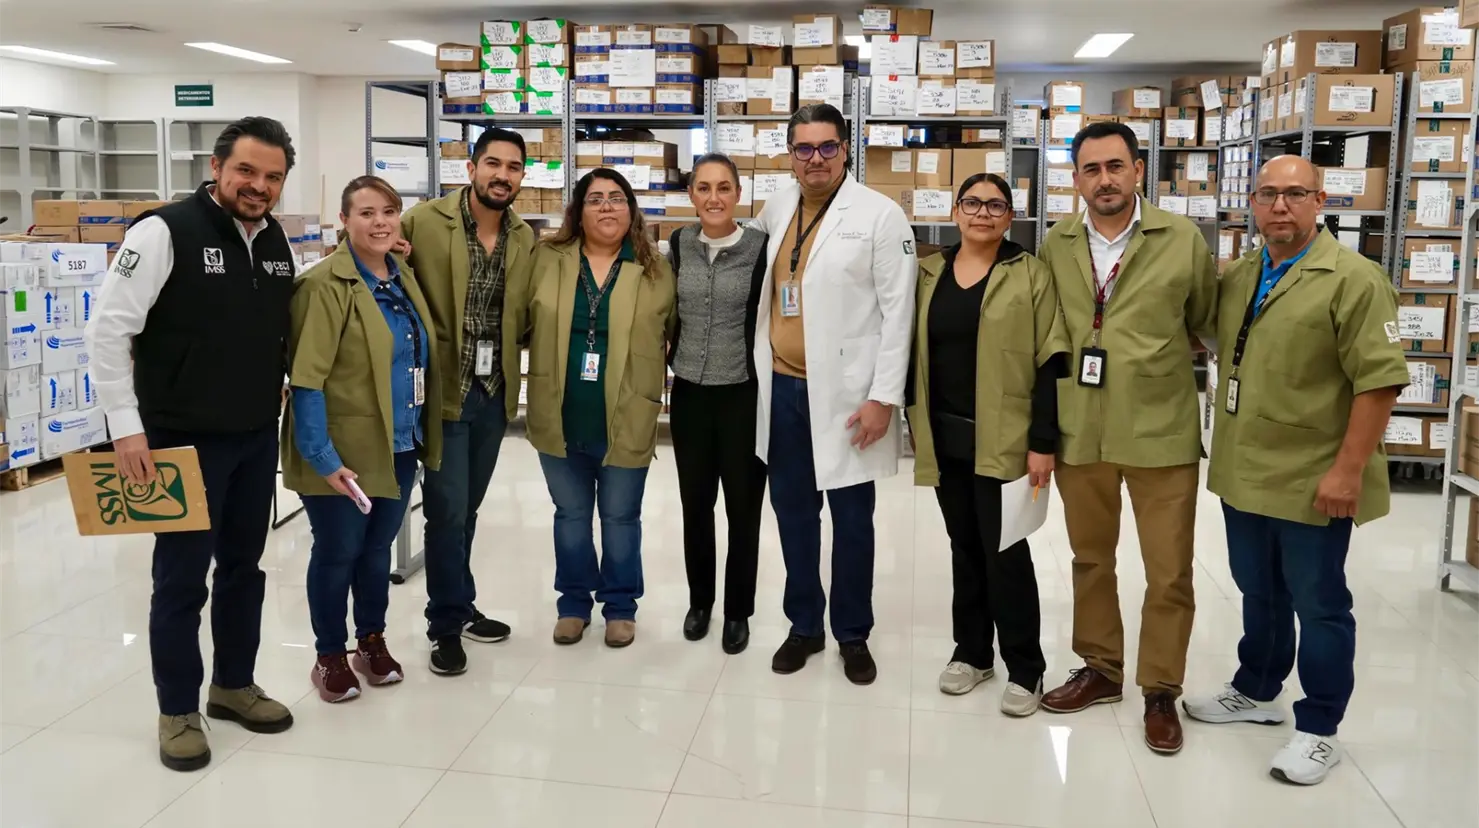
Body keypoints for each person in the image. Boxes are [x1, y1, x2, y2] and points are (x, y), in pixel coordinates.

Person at [1182, 156, 1408, 785]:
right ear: (1251, 202)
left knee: (1321, 603)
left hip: (1314, 475)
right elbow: (1217, 342)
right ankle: (1257, 689)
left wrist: (1347, 471)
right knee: (1259, 590)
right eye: (1267, 195)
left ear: (1320, 200)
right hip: (1244, 467)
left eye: (1294, 194)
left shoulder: (1353, 279)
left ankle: (1320, 729)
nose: (1279, 206)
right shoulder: (1243, 273)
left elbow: (1380, 382)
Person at [84, 116, 299, 771]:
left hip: (254, 436)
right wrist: (125, 429)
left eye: (272, 176)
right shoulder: (162, 231)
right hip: (179, 442)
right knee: (180, 583)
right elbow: (107, 332)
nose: (257, 186)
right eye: (246, 172)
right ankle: (177, 710)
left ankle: (233, 684)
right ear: (217, 165)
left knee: (244, 570)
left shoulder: (274, 240)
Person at [1036, 121, 1218, 754]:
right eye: (1091, 169)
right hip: (1080, 427)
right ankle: (1101, 668)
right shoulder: (1057, 242)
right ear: (1076, 179)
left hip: (1159, 428)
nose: (1104, 179)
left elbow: (1202, 321)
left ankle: (1161, 687)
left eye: (1116, 166)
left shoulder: (1181, 238)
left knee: (1169, 571)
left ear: (1139, 170)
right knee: (1091, 558)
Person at [750, 103, 916, 685]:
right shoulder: (776, 208)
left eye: (827, 147)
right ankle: (804, 626)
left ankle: (852, 632)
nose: (815, 158)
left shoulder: (880, 215)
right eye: (803, 148)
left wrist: (883, 399)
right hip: (784, 388)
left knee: (852, 521)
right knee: (794, 516)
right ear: (789, 154)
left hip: (851, 398)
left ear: (846, 148)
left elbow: (900, 314)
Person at [906, 173, 1069, 715]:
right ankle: (972, 652)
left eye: (995, 205)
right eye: (972, 203)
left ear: (1010, 216)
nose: (982, 213)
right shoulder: (929, 272)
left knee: (1007, 553)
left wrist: (1043, 441)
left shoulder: (1030, 275)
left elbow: (1052, 361)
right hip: (946, 435)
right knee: (964, 547)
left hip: (1005, 439)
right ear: (956, 211)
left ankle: (1026, 667)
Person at [283, 176, 442, 703]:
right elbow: (306, 380)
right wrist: (324, 458)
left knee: (376, 553)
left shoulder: (401, 278)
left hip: (399, 444)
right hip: (342, 453)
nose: (380, 222)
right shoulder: (325, 286)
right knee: (338, 551)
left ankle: (370, 640)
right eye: (367, 213)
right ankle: (329, 654)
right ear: (345, 221)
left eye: (389, 212)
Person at [397, 128, 533, 675]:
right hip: (441, 393)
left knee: (467, 508)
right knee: (446, 511)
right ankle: (445, 623)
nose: (503, 175)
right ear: (471, 167)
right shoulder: (424, 222)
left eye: (514, 168)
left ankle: (462, 600)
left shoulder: (524, 237)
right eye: (493, 164)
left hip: (493, 393)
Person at [525, 169, 675, 648]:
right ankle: (572, 603)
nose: (607, 207)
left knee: (620, 516)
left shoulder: (654, 269)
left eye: (616, 198)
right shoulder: (548, 259)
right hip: (560, 410)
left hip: (626, 413)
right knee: (569, 515)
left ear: (631, 209)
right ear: (578, 211)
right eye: (595, 199)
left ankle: (620, 606)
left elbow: (677, 332)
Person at [667, 153, 769, 655]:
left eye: (724, 188)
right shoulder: (679, 243)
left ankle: (738, 611)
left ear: (738, 194)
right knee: (695, 506)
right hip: (688, 393)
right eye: (703, 188)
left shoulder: (760, 248)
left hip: (743, 396)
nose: (714, 198)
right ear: (691, 194)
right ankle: (700, 602)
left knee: (743, 509)